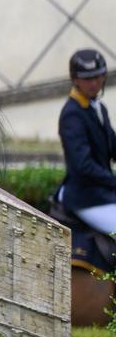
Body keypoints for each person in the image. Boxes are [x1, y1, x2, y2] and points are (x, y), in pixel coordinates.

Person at [56, 49, 116, 235]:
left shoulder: (99, 107)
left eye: (98, 77)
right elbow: (83, 166)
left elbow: (113, 146)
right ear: (75, 79)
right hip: (86, 197)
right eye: (88, 79)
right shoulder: (72, 114)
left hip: (102, 190)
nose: (94, 83)